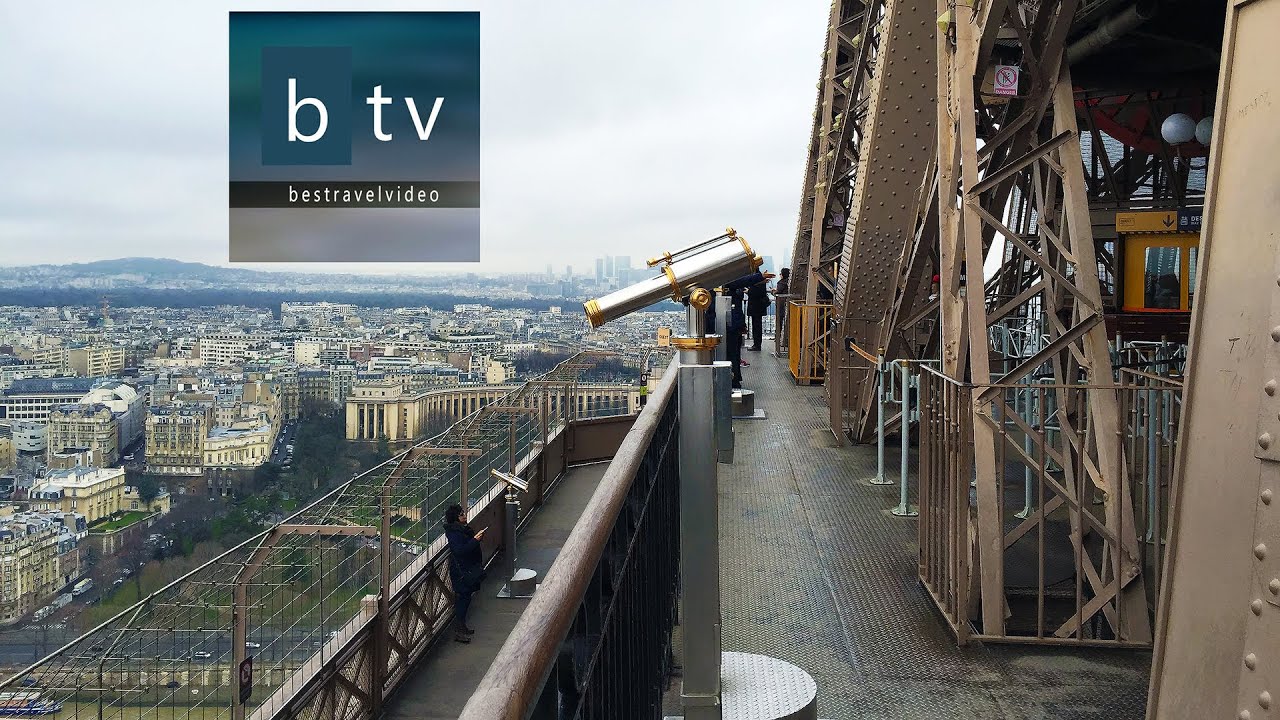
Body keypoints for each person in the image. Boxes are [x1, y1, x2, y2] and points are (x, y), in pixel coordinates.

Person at [442, 504, 486, 643]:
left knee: (465, 598)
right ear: (456, 518)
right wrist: (475, 540)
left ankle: (461, 627)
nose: (464, 515)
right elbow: (460, 550)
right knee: (463, 598)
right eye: (461, 514)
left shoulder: (460, 530)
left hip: (466, 568)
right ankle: (459, 629)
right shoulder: (455, 533)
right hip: (461, 572)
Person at [726, 288, 746, 388]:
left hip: (732, 326)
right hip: (736, 325)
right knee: (735, 354)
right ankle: (736, 378)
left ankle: (734, 379)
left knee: (732, 353)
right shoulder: (737, 293)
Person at [746, 275, 770, 351]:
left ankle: (757, 345)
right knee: (757, 326)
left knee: (756, 326)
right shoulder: (761, 281)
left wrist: (748, 291)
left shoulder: (758, 281)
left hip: (756, 307)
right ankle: (757, 344)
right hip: (759, 307)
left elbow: (756, 292)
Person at [774, 268, 791, 353]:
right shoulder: (788, 282)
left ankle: (778, 338)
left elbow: (778, 292)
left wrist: (773, 292)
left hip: (781, 305)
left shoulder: (781, 283)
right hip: (787, 304)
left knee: (779, 321)